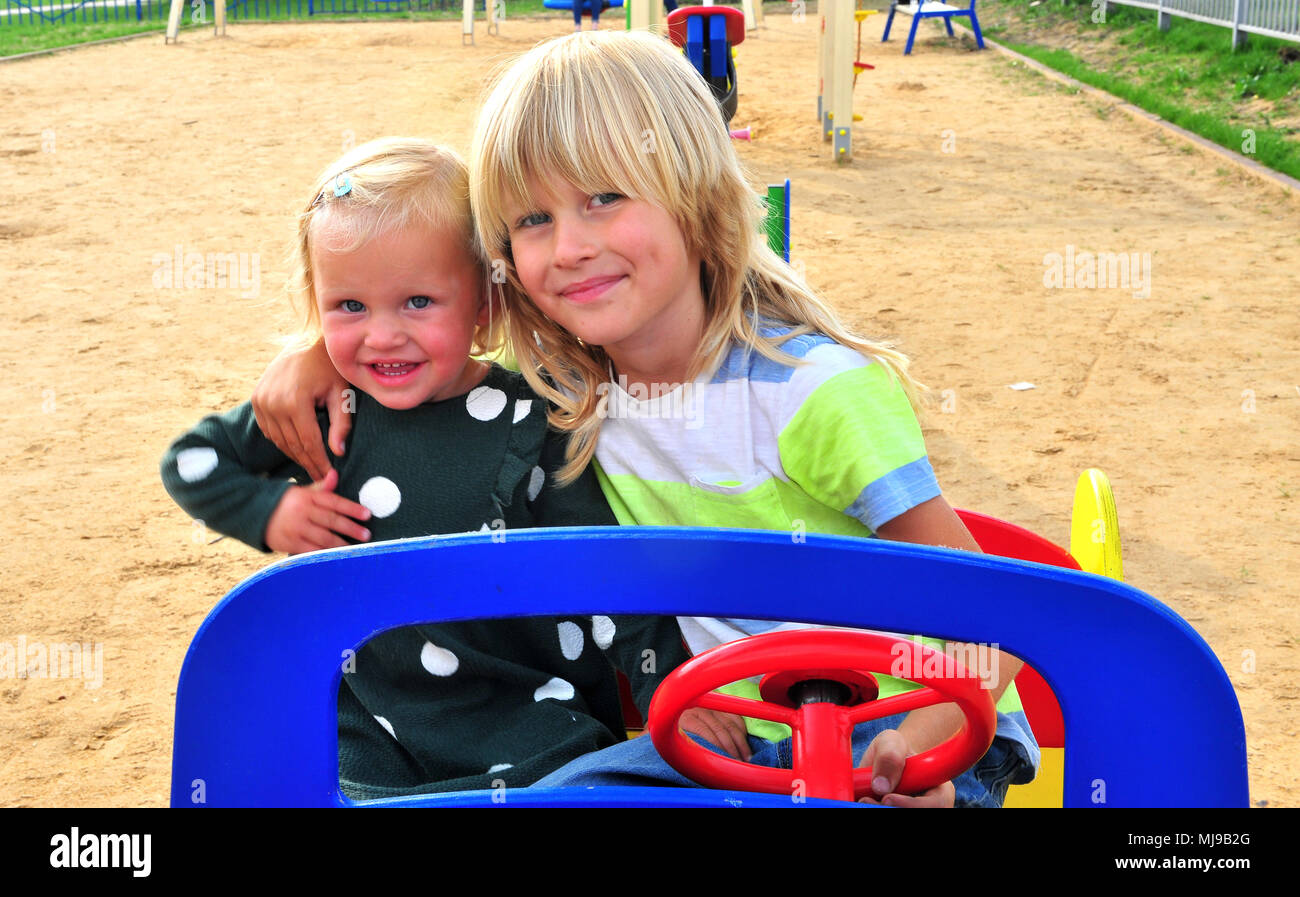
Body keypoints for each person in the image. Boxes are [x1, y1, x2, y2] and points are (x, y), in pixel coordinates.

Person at [253, 33, 1039, 807]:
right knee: (563, 798)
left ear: (693, 197)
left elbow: (997, 616)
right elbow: (424, 344)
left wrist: (929, 747)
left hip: (905, 728)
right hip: (735, 739)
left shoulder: (812, 393)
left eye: (603, 198)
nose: (568, 247)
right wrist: (317, 354)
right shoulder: (571, 397)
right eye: (532, 220)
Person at [160, 136, 690, 800]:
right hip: (369, 720)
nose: (383, 334)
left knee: (571, 787)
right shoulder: (327, 408)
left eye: (418, 302)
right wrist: (272, 511)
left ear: (484, 304)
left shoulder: (531, 422)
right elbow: (193, 460)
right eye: (349, 306)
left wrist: (671, 691)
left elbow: (604, 571)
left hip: (525, 712)